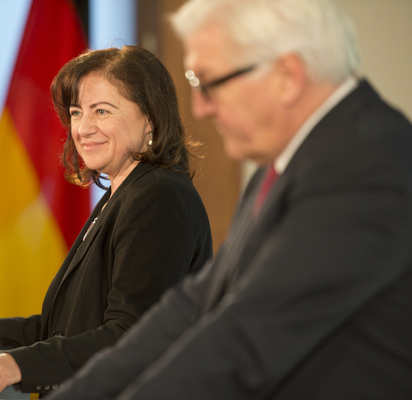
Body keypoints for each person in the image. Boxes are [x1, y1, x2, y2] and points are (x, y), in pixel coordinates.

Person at [47, 0, 412, 399]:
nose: (201, 107)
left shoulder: (365, 163)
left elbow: (247, 335)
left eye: (210, 82)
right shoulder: (284, 168)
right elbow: (194, 306)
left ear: (287, 76)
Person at [0, 45, 213, 399]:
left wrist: (19, 364)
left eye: (102, 111)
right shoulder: (125, 192)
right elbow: (78, 323)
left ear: (150, 119)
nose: (83, 128)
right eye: (77, 112)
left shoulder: (157, 196)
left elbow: (132, 334)